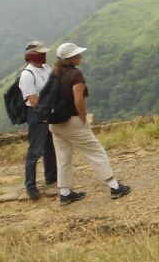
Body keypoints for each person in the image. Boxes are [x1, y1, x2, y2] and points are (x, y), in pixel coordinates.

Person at [48, 43, 131, 205]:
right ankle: (114, 187)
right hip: (72, 120)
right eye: (78, 54)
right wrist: (84, 119)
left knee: (63, 158)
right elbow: (78, 100)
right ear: (71, 58)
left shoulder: (54, 74)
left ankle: (65, 193)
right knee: (95, 152)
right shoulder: (75, 74)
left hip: (54, 123)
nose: (80, 56)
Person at [18, 41, 57, 200]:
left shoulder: (47, 68)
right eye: (41, 53)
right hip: (37, 114)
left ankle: (51, 176)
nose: (44, 55)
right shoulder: (28, 74)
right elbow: (33, 100)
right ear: (32, 55)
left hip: (49, 112)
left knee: (50, 147)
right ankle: (30, 185)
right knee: (35, 151)